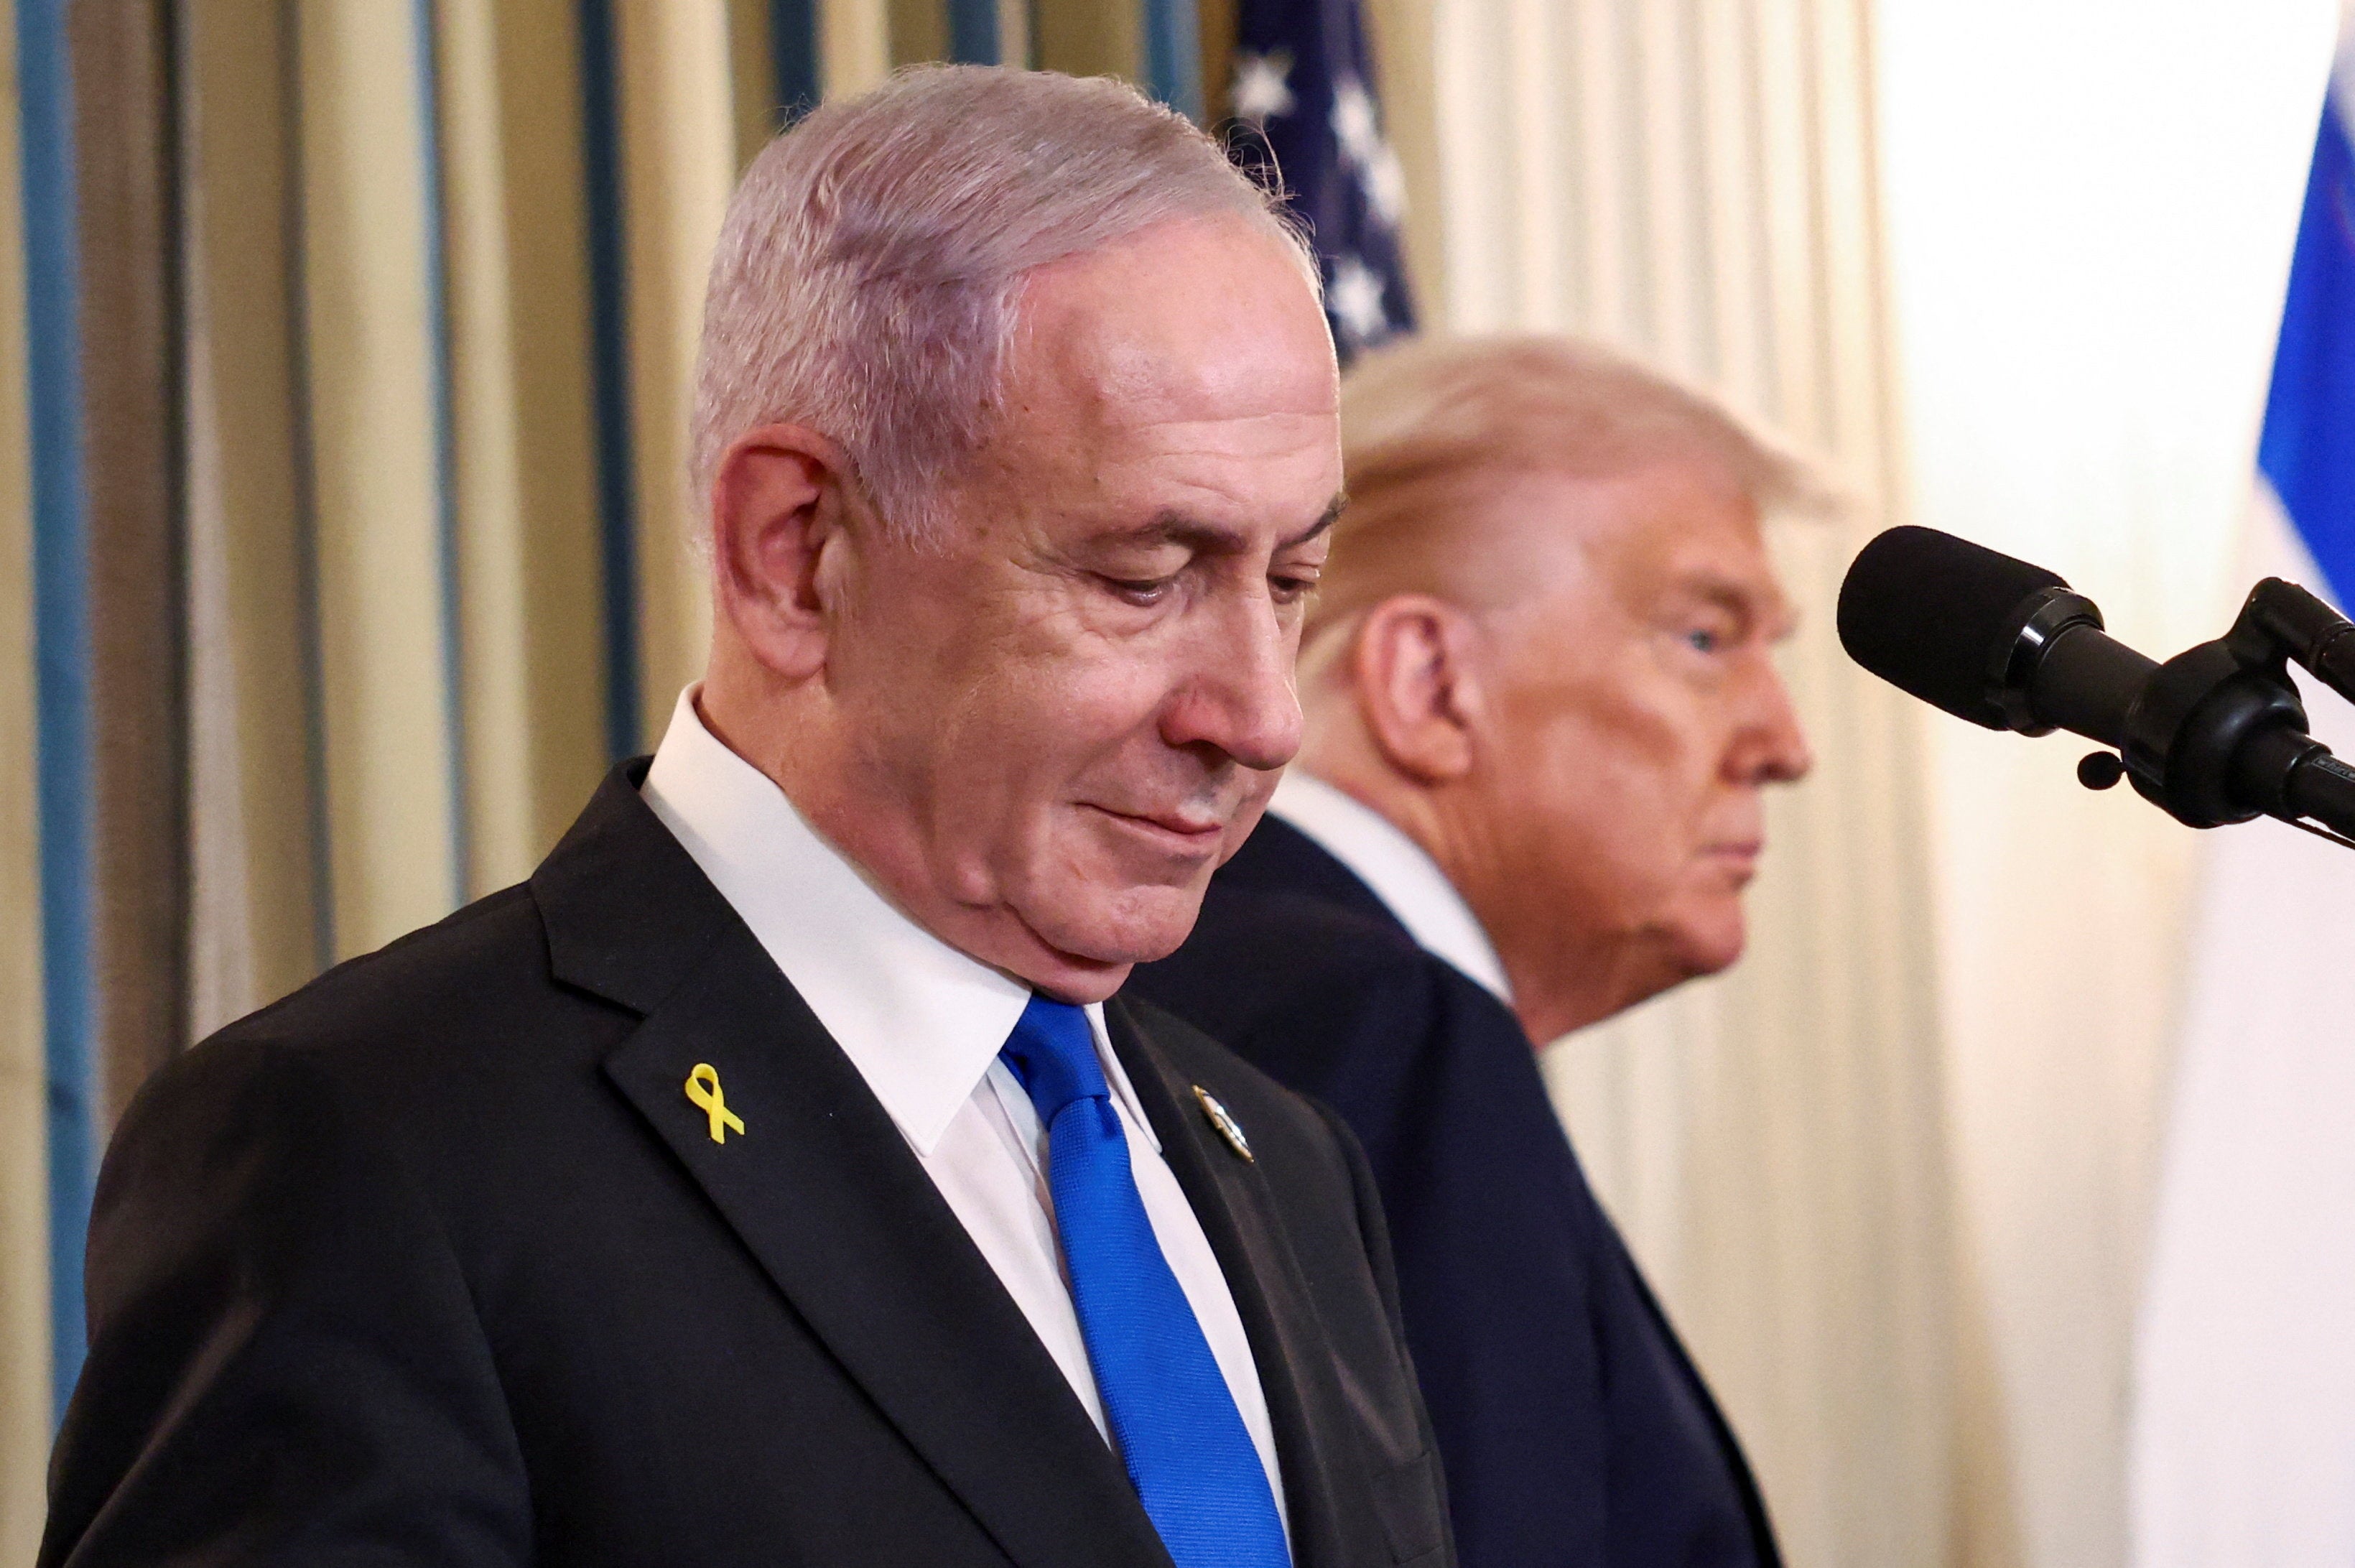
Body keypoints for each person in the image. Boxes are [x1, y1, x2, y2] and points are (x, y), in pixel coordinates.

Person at [40, 67, 1453, 1568]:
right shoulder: (375, 1157)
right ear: (795, 556)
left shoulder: (1284, 1165)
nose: (1257, 717)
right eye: (1141, 579)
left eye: (1288, 584)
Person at [1130, 334, 1816, 1568]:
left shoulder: (1217, 978)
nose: (1783, 739)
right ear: (1429, 683)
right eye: (1707, 640)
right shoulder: (1384, 1026)